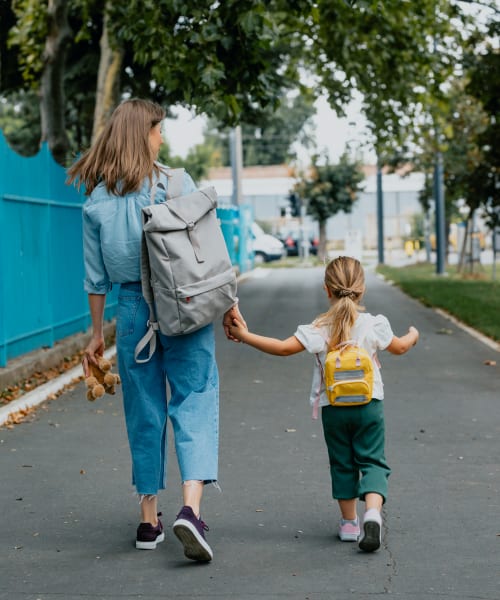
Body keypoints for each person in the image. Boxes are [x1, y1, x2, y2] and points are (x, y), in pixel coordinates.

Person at [67, 98, 244, 562]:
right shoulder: (176, 183)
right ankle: (190, 510)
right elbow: (206, 252)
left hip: (130, 312)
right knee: (196, 397)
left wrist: (94, 334)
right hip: (183, 304)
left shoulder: (97, 201)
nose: (162, 137)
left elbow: (94, 277)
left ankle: (149, 521)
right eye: (158, 129)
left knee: (144, 411)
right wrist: (229, 304)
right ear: (143, 133)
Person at [228, 256, 419, 552]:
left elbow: (281, 348)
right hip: (369, 405)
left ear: (327, 290)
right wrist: (413, 334)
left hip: (334, 407)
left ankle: (349, 524)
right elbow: (402, 347)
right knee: (372, 461)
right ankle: (372, 513)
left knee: (343, 463)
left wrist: (244, 335)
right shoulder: (374, 324)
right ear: (362, 289)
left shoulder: (318, 328)